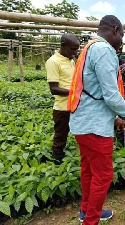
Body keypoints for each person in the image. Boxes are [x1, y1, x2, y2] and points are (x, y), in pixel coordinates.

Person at [69, 15, 125, 225]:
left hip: (83, 122)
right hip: (94, 127)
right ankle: (91, 220)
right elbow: (110, 95)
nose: (122, 41)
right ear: (116, 30)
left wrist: (114, 117)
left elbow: (96, 91)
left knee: (89, 171)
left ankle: (86, 212)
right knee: (103, 175)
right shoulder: (104, 50)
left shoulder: (90, 47)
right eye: (123, 36)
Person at [45, 33, 80, 163]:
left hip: (75, 105)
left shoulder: (70, 60)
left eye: (76, 50)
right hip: (62, 108)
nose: (74, 53)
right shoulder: (53, 62)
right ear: (63, 45)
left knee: (80, 132)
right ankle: (57, 160)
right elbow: (54, 89)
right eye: (72, 49)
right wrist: (75, 92)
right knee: (61, 135)